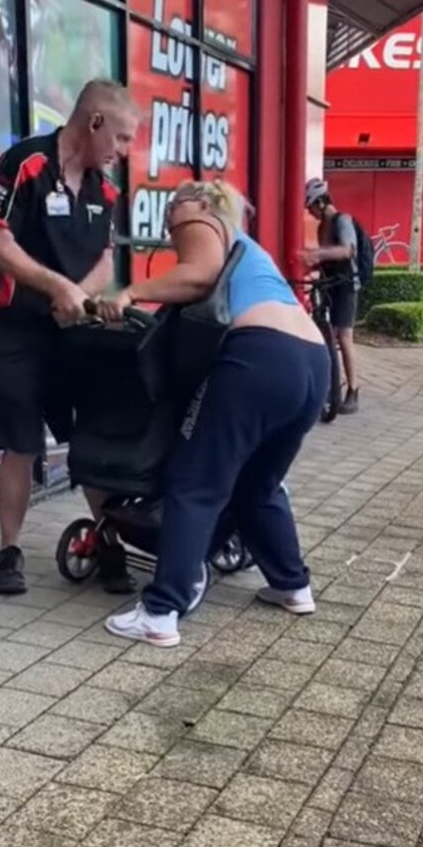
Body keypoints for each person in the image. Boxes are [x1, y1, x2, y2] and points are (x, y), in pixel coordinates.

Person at [96, 180, 330, 647]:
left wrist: (128, 293)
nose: (169, 215)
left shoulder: (200, 218)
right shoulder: (247, 247)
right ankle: (292, 584)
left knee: (194, 480)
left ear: (203, 202)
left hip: (260, 356)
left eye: (174, 203)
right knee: (256, 483)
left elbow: (199, 275)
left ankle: (161, 612)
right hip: (313, 362)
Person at [0, 79, 139, 595]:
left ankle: (108, 541)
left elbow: (105, 259)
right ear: (94, 123)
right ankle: (9, 553)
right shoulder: (22, 164)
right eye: (124, 138)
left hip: (71, 334)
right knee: (20, 443)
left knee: (88, 435)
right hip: (11, 333)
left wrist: (80, 298)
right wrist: (56, 287)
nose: (125, 152)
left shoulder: (103, 190)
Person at [303, 178, 360, 415]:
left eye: (312, 206)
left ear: (321, 201)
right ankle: (332, 385)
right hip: (329, 285)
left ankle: (353, 391)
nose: (311, 212)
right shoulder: (321, 227)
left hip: (346, 285)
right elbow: (324, 259)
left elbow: (348, 249)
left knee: (344, 337)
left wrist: (317, 253)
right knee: (326, 333)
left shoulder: (342, 220)